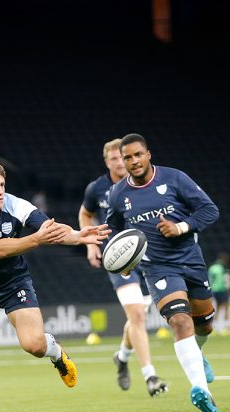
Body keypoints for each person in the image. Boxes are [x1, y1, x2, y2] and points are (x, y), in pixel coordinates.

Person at [0, 160, 109, 412]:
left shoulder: (15, 204)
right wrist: (36, 240)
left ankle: (57, 353)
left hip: (14, 283)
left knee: (34, 345)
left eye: (2, 185)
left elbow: (48, 227)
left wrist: (76, 235)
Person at [106, 133, 220, 412]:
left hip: (191, 262)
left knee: (204, 326)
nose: (133, 161)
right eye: (127, 157)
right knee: (180, 321)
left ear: (148, 155)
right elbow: (116, 231)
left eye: (137, 155)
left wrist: (181, 227)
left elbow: (210, 210)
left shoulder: (175, 179)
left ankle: (199, 353)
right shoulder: (118, 194)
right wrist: (125, 259)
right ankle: (201, 390)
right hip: (157, 269)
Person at [79, 138, 167, 395]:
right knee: (138, 316)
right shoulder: (97, 188)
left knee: (136, 318)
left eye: (123, 157)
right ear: (107, 162)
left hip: (150, 256)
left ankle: (122, 356)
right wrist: (91, 244)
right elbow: (85, 213)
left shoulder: (144, 182)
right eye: (115, 159)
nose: (121, 162)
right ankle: (150, 375)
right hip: (119, 259)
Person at [208, 252, 230, 329]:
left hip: (213, 290)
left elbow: (209, 279)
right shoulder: (223, 267)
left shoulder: (211, 267)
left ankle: (215, 326)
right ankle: (226, 326)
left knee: (217, 308)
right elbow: (227, 279)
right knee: (226, 307)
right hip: (222, 289)